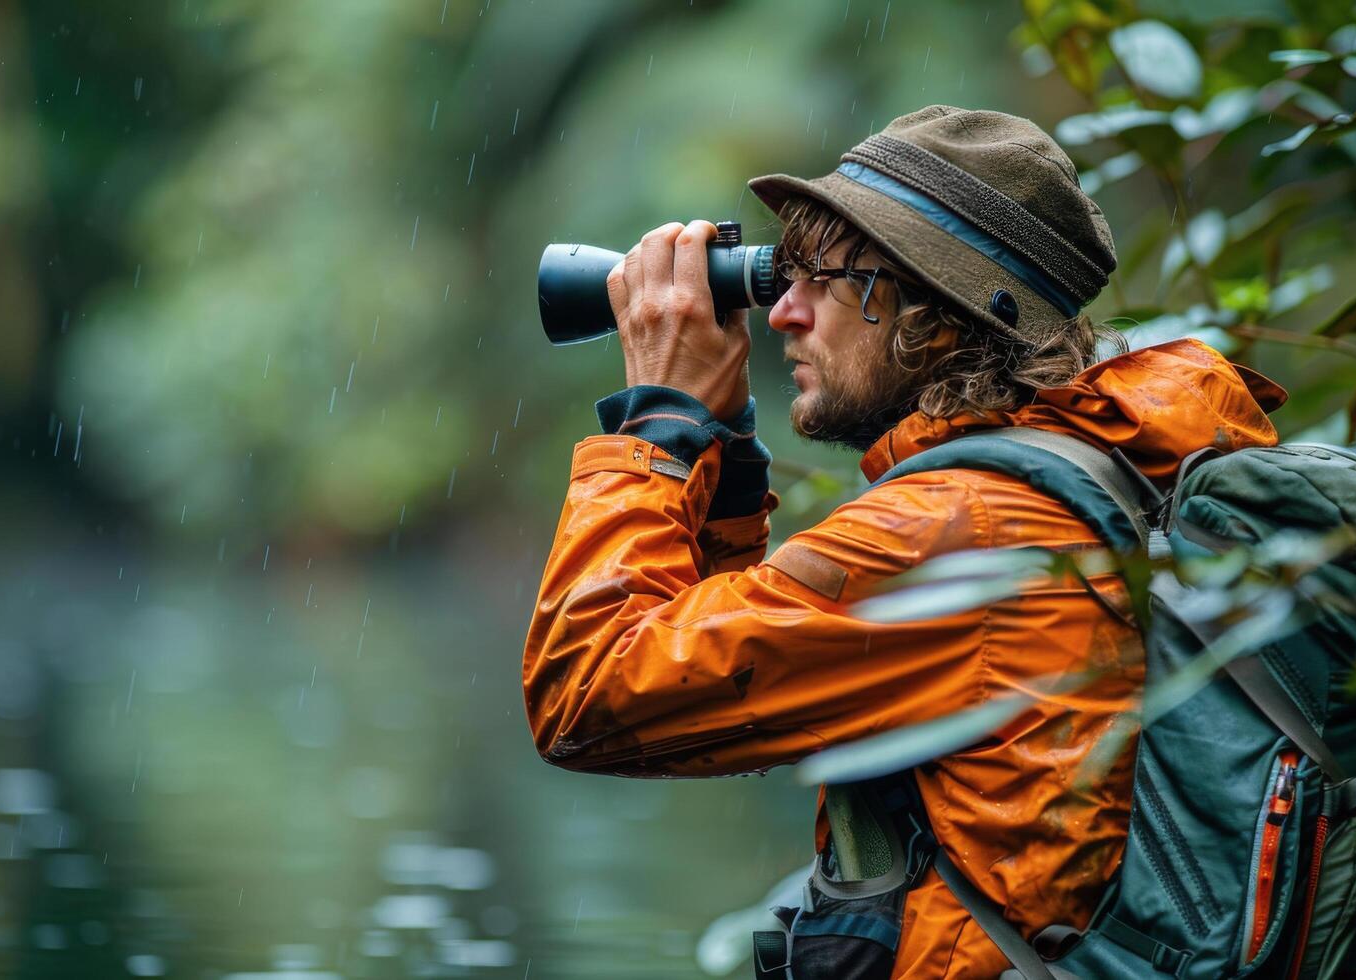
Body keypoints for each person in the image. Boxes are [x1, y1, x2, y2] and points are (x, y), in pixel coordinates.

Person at [521, 105, 1287, 977]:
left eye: (820, 279)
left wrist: (658, 424)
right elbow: (725, 682)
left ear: (928, 304)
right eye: (780, 275)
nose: (781, 316)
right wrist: (722, 453)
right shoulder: (1090, 475)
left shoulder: (961, 531)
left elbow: (589, 698)